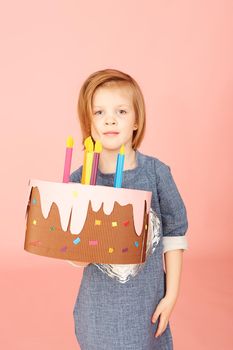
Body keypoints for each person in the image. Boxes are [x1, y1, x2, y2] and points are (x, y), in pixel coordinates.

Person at [68, 68, 188, 349]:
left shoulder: (156, 174)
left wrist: (171, 295)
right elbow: (75, 257)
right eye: (99, 113)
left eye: (121, 111)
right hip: (96, 312)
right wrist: (79, 244)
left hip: (145, 309)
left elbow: (175, 233)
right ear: (89, 122)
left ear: (136, 120)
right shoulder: (79, 181)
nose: (109, 119)